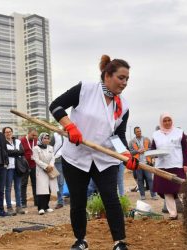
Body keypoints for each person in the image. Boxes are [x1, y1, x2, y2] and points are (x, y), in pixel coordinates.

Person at [48, 54, 136, 250]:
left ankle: (119, 242)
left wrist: (126, 155)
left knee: (111, 199)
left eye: (127, 79)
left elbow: (117, 135)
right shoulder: (86, 89)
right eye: (121, 78)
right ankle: (80, 240)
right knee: (78, 201)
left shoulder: (123, 106)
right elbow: (55, 106)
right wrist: (69, 126)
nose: (124, 83)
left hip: (105, 157)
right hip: (76, 157)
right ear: (107, 76)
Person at [151, 113, 187, 220]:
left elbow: (185, 150)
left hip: (177, 165)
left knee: (181, 189)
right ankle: (173, 214)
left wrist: (186, 163)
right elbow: (153, 149)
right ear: (161, 122)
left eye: (169, 120)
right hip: (162, 166)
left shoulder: (179, 132)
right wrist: (151, 154)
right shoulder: (156, 134)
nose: (167, 122)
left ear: (172, 121)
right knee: (167, 190)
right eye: (165, 121)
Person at [32, 132, 59, 215]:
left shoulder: (50, 147)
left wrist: (50, 165)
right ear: (41, 139)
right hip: (41, 170)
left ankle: (46, 206)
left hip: (50, 169)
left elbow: (53, 158)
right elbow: (36, 160)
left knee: (49, 188)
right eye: (45, 138)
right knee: (42, 189)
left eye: (48, 138)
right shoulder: (36, 148)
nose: (47, 140)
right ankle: (41, 208)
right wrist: (46, 166)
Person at [129, 126, 157, 200]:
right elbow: (130, 153)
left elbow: (152, 149)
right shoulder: (131, 142)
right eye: (137, 131)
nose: (139, 132)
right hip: (137, 164)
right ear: (134, 133)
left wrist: (146, 149)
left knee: (149, 179)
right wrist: (138, 151)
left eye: (140, 131)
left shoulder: (147, 139)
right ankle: (142, 195)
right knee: (140, 179)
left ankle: (153, 195)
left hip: (147, 163)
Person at [4, 127, 25, 215]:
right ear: (4, 134)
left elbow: (22, 151)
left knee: (18, 188)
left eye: (10, 131)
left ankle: (19, 207)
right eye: (6, 132)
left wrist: (12, 152)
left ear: (12, 132)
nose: (8, 133)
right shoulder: (3, 142)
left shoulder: (18, 141)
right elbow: (5, 153)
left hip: (17, 167)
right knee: (8, 188)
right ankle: (9, 208)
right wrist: (16, 152)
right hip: (8, 168)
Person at [20, 128, 38, 208]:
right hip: (25, 166)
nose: (34, 137)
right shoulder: (22, 140)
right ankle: (23, 202)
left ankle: (37, 202)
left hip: (34, 165)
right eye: (32, 135)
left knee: (35, 184)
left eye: (35, 135)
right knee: (23, 184)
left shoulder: (36, 140)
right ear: (28, 133)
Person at [51, 132, 66, 209]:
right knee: (60, 182)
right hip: (58, 160)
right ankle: (60, 201)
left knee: (73, 181)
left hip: (70, 159)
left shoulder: (71, 132)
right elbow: (50, 147)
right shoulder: (55, 135)